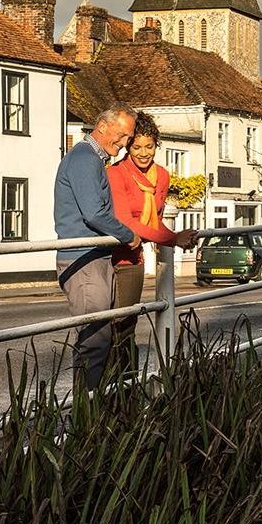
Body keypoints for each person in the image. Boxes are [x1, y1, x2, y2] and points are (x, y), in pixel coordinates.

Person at [54, 102, 141, 389]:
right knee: (95, 340)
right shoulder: (85, 159)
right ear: (102, 126)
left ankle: (95, 409)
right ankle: (87, 416)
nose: (125, 143)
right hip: (84, 260)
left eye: (128, 137)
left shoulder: (90, 158)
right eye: (123, 135)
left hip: (93, 258)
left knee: (101, 337)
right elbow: (94, 213)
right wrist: (127, 234)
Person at [107, 112, 198, 372]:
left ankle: (127, 386)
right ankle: (104, 390)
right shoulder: (117, 174)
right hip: (109, 257)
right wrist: (173, 239)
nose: (144, 153)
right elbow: (127, 222)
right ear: (127, 146)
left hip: (133, 258)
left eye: (149, 146)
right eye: (136, 147)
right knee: (108, 327)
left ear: (157, 144)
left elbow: (153, 221)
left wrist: (177, 236)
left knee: (126, 324)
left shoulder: (162, 176)